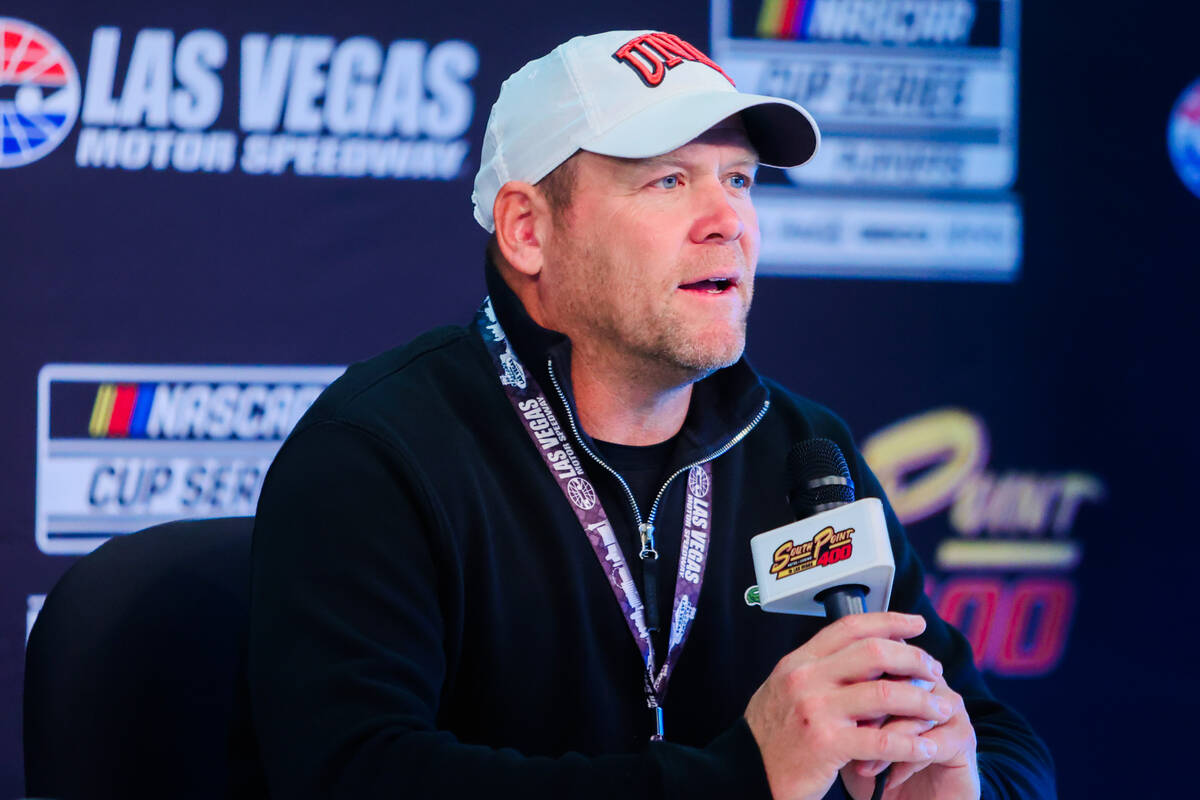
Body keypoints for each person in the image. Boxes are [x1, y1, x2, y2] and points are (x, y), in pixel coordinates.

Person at [249, 29, 1054, 800]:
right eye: (668, 180)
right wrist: (742, 778)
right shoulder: (379, 454)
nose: (727, 221)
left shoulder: (800, 453)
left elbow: (996, 735)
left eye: (738, 179)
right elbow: (355, 778)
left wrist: (967, 785)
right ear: (528, 231)